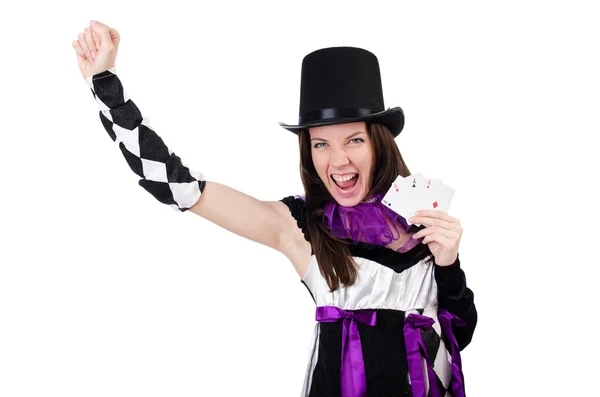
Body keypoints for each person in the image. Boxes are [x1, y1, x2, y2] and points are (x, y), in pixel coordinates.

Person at [73, 20, 477, 397]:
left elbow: (462, 332)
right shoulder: (299, 226)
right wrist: (105, 84)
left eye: (353, 140)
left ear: (379, 143)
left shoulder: (420, 215)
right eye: (321, 144)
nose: (338, 161)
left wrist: (449, 263)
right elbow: (176, 185)